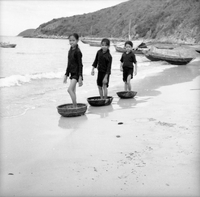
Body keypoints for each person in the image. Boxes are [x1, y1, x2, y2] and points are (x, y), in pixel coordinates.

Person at [63, 33, 83, 108]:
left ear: (77, 41)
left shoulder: (78, 52)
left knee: (69, 90)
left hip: (76, 74)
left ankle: (75, 107)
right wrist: (66, 74)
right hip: (72, 74)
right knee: (73, 91)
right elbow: (69, 63)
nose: (71, 42)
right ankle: (75, 106)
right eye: (70, 40)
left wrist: (80, 77)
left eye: (73, 40)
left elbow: (80, 65)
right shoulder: (70, 50)